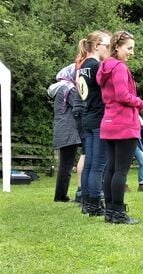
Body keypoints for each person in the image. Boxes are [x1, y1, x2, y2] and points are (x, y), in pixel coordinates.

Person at [97, 30, 143, 224]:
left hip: (109, 123)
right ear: (117, 47)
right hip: (124, 124)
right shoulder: (119, 67)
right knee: (120, 171)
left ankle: (110, 211)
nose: (131, 52)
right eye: (129, 48)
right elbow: (122, 95)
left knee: (111, 168)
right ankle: (118, 212)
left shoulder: (105, 67)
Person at [75, 30, 112, 216]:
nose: (110, 49)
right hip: (98, 118)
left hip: (87, 116)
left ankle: (87, 202)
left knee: (89, 163)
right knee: (98, 165)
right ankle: (95, 205)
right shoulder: (97, 67)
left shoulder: (81, 66)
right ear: (97, 46)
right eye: (107, 45)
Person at [49, 63, 82, 202]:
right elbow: (78, 106)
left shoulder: (60, 88)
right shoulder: (69, 89)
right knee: (66, 165)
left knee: (65, 164)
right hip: (68, 131)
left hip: (62, 130)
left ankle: (60, 195)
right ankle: (61, 196)